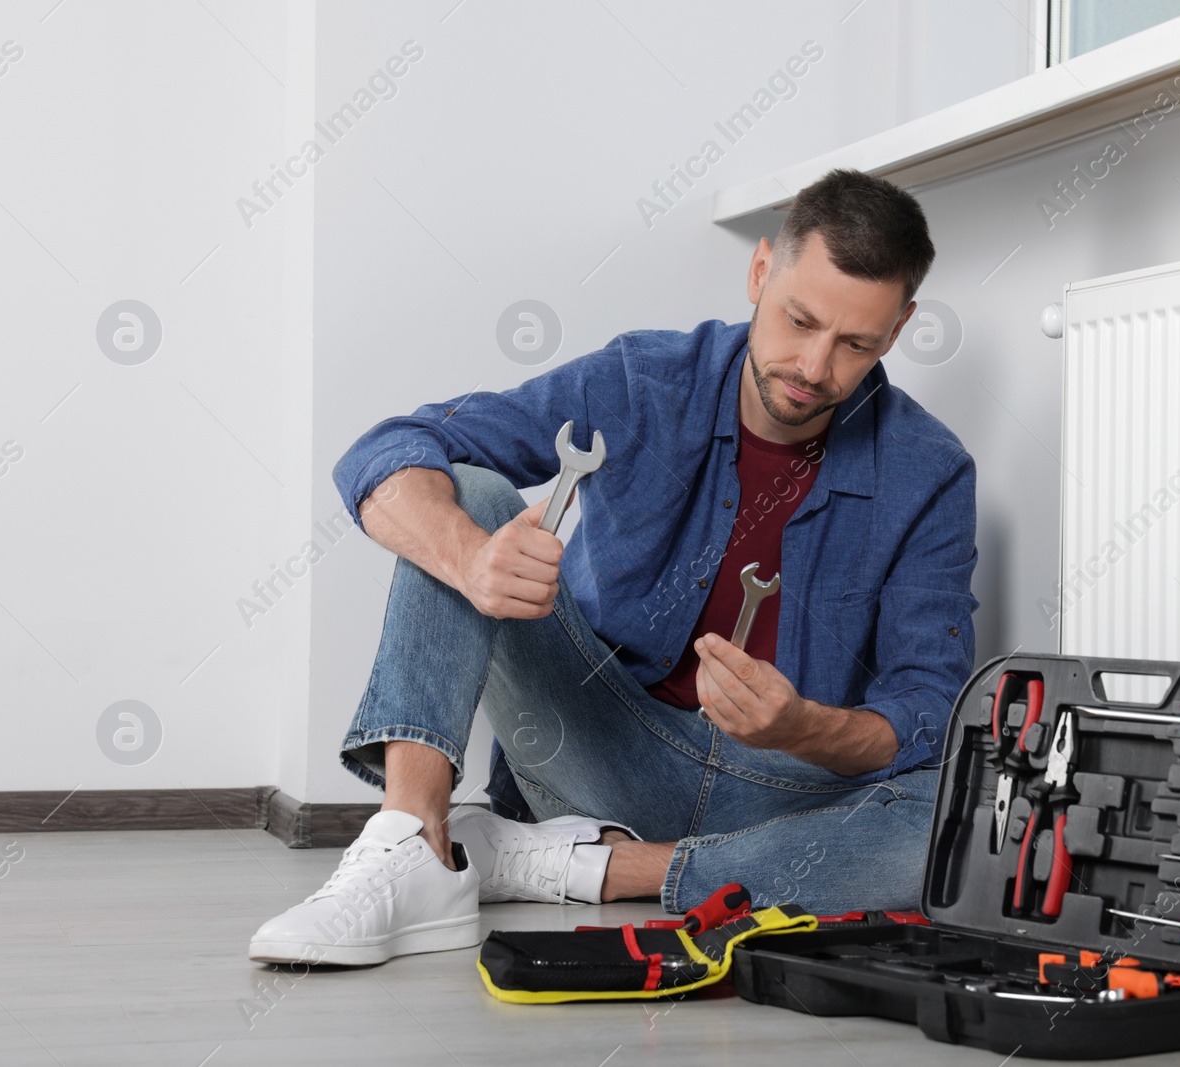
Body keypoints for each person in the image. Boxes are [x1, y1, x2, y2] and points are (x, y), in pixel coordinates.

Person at [248, 168, 978, 966]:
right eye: (798, 320)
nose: (812, 365)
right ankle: (414, 846)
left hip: (776, 788)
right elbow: (389, 448)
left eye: (856, 345)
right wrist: (472, 558)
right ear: (760, 271)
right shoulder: (641, 382)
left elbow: (934, 710)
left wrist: (807, 726)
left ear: (899, 328)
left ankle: (573, 864)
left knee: (958, 827)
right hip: (599, 741)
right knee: (468, 493)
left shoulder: (930, 470)